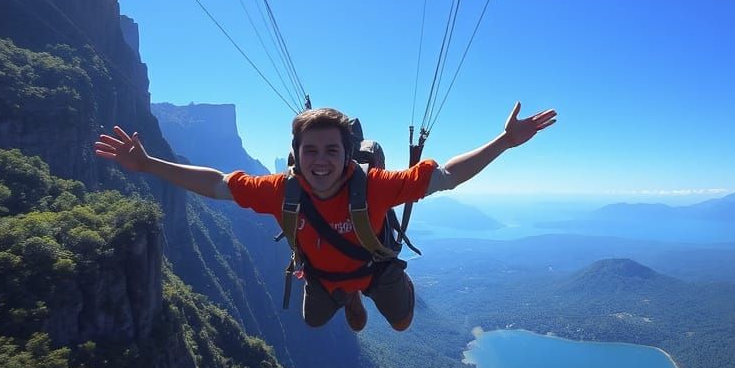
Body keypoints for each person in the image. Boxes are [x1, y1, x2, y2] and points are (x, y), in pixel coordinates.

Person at [94, 102, 556, 332]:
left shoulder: (374, 185)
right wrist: (148, 164)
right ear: (294, 156)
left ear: (347, 154)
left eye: (331, 150)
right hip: (321, 273)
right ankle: (348, 299)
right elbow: (215, 184)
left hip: (375, 269)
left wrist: (503, 142)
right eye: (310, 150)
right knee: (314, 321)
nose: (321, 160)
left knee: (400, 322)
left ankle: (370, 291)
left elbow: (449, 174)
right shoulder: (281, 191)